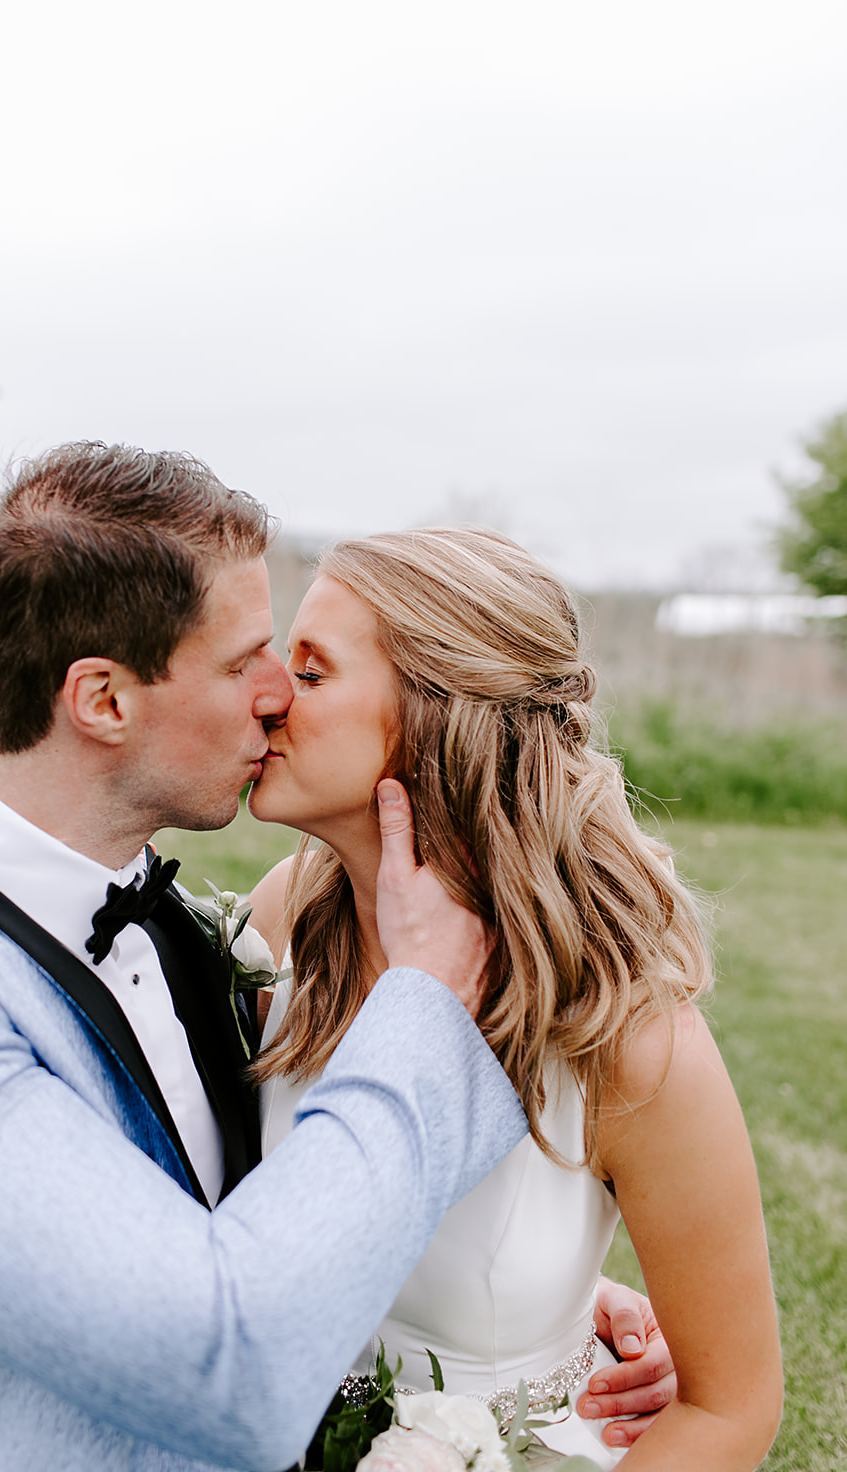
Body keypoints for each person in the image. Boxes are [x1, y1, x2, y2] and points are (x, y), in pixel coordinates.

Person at [0, 446, 534, 1471]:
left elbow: (231, 1225)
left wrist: (514, 1320)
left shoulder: (169, 921)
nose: (280, 695)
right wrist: (419, 1004)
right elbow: (230, 1365)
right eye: (241, 663)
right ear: (102, 700)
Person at [248, 527, 783, 1469]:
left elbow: (732, 1409)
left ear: (431, 718)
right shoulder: (288, 920)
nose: (268, 697)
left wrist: (561, 1316)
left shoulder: (628, 1040)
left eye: (313, 670)